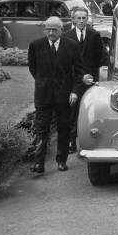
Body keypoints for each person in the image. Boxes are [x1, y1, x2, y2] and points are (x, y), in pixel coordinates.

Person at [28, 17, 84, 174]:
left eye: (54, 30)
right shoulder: (36, 45)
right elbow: (33, 69)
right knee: (41, 129)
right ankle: (39, 163)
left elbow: (79, 71)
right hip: (43, 95)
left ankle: (62, 160)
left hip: (64, 96)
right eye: (48, 29)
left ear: (61, 30)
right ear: (45, 29)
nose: (51, 32)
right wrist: (43, 83)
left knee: (64, 129)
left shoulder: (71, 46)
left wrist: (74, 91)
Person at [63, 6, 107, 153]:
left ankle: (91, 141)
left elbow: (102, 57)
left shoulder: (94, 35)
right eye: (78, 18)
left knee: (90, 110)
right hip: (74, 79)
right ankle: (71, 142)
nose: (81, 21)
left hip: (90, 79)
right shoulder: (67, 35)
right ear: (73, 19)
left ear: (87, 19)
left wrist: (97, 75)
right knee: (72, 110)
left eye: (84, 18)